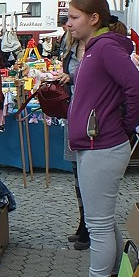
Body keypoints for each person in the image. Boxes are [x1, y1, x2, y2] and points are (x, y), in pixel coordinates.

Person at [65, 0, 139, 277]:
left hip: (102, 147)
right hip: (93, 146)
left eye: (74, 17)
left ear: (94, 18)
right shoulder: (93, 49)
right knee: (102, 219)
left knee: (97, 225)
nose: (68, 24)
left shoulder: (105, 50)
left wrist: (124, 128)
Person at [55, 28, 89, 250]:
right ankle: (82, 224)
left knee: (88, 178)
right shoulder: (71, 49)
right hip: (73, 116)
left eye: (75, 18)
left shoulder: (97, 49)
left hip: (89, 120)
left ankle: (90, 229)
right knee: (77, 175)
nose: (69, 24)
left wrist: (73, 76)